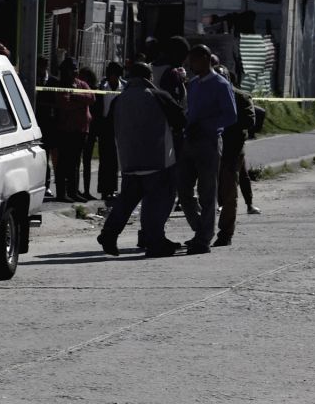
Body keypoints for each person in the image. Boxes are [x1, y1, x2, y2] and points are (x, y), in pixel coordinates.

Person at [99, 62, 186, 258]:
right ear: (149, 77)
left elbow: (106, 128)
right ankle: (155, 241)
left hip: (129, 161)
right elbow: (180, 121)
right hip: (158, 160)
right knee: (159, 202)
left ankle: (109, 233)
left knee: (126, 201)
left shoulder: (119, 100)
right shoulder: (158, 96)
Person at [178, 45, 236, 254]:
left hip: (209, 142)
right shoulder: (193, 84)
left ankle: (204, 238)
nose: (190, 65)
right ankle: (199, 228)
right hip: (189, 141)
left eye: (193, 60)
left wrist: (207, 125)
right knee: (183, 189)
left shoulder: (220, 84)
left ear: (205, 58)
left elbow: (230, 115)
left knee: (207, 191)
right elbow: (189, 110)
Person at [215, 70, 258, 246]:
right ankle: (204, 231)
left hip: (233, 149)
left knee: (230, 189)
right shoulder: (210, 95)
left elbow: (249, 120)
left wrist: (228, 123)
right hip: (211, 147)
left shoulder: (241, 97)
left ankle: (226, 233)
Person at [48, 59, 94, 203]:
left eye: (75, 69)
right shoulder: (61, 86)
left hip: (81, 130)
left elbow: (91, 97)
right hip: (66, 130)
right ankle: (62, 193)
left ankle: (73, 192)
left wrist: (75, 96)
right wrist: (80, 102)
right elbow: (65, 104)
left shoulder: (81, 84)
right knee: (63, 163)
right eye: (71, 69)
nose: (75, 72)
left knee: (75, 163)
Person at [96, 60, 125, 199]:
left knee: (115, 160)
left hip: (119, 125)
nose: (112, 77)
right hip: (105, 124)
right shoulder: (102, 86)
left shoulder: (124, 87)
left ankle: (112, 189)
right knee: (105, 159)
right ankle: (103, 189)